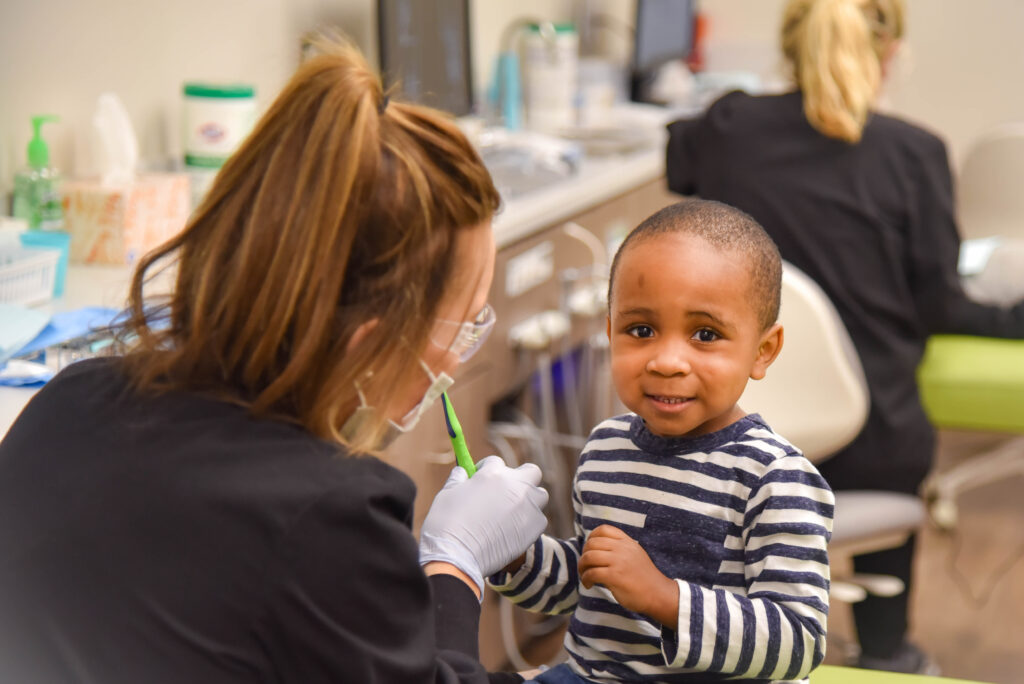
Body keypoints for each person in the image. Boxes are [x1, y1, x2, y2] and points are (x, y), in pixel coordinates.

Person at [0, 40, 550, 684]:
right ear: (369, 342)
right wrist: (454, 567)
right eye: (462, 326)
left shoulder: (69, 402)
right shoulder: (328, 520)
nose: (458, 360)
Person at [664, 0, 1024, 674]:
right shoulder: (914, 153)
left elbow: (679, 165)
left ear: (791, 47)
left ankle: (738, 635)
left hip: (732, 432)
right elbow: (939, 304)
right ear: (889, 54)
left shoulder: (725, 127)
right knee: (893, 412)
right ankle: (889, 652)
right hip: (873, 447)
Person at [489, 200, 835, 684]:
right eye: (642, 330)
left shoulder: (774, 479)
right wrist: (514, 555)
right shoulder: (604, 449)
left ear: (763, 351)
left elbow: (797, 644)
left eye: (705, 334)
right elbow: (587, 586)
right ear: (610, 332)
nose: (667, 361)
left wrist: (663, 597)